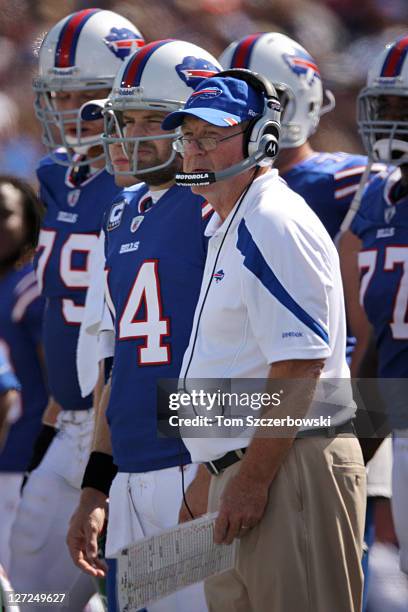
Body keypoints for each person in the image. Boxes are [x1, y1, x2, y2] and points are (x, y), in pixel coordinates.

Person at [161, 69, 367, 612]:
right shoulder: (230, 222)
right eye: (188, 138)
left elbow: (301, 365)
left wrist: (250, 477)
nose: (194, 152)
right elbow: (245, 362)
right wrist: (215, 470)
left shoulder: (271, 219)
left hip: (286, 467)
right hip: (256, 467)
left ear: (260, 140)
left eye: (210, 136)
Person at [219, 31, 390, 608]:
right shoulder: (214, 189)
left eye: (268, 101)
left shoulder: (351, 182)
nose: (255, 116)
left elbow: (362, 324)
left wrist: (368, 427)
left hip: (321, 406)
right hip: (235, 408)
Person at [66, 39, 221, 612]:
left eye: (152, 119)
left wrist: (219, 466)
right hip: (130, 467)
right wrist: (95, 482)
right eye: (124, 119)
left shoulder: (221, 202)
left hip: (192, 462)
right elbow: (117, 359)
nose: (132, 135)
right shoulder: (121, 209)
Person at [8, 10, 145, 611]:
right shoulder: (53, 176)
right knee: (31, 600)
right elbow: (64, 318)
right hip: (68, 427)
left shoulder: (152, 187)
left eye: (86, 96)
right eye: (58, 94)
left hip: (135, 428)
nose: (68, 111)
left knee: (145, 596)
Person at [340, 35, 408, 577]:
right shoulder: (379, 204)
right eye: (383, 105)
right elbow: (378, 344)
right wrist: (350, 456)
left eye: (402, 105)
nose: (389, 119)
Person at [0, 176, 47, 574]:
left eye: (4, 215)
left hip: (22, 461)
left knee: (23, 587)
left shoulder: (31, 288)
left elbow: (60, 384)